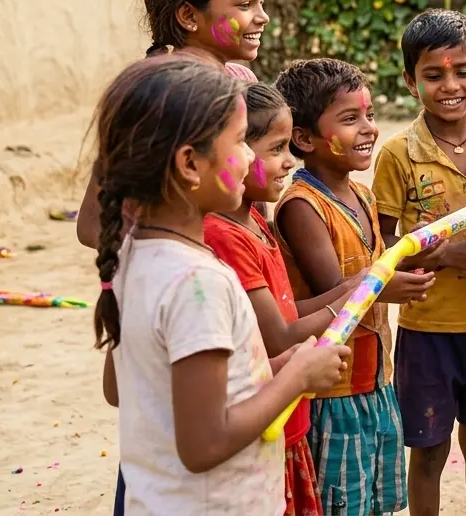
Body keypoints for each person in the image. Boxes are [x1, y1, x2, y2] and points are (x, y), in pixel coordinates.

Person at [93, 56, 349, 514]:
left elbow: (123, 390)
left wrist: (271, 367)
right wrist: (297, 377)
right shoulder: (199, 283)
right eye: (239, 142)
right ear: (190, 163)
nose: (251, 156)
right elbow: (204, 444)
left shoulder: (134, 257)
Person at [204, 82, 385, 516]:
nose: (289, 161)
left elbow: (286, 312)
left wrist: (358, 286)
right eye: (276, 148)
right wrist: (357, 293)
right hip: (273, 423)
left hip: (290, 421)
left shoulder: (255, 221)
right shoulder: (225, 236)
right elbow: (280, 335)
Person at [371, 10, 466, 516]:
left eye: (462, 71)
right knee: (429, 449)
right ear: (410, 81)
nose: (450, 86)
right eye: (433, 75)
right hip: (427, 330)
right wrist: (446, 255)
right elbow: (387, 244)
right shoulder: (397, 155)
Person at [274, 58, 436, 516]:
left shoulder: (363, 195)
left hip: (373, 383)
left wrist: (422, 245)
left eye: (368, 114)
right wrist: (387, 280)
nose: (368, 128)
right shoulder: (303, 206)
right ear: (304, 139)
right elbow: (343, 294)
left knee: (372, 504)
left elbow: (376, 265)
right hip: (333, 393)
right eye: (349, 119)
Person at [77, 0, 267, 251]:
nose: (263, 17)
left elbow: (250, 204)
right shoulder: (161, 94)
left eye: (261, 2)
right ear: (189, 16)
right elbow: (92, 225)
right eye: (245, 4)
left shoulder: (241, 80)